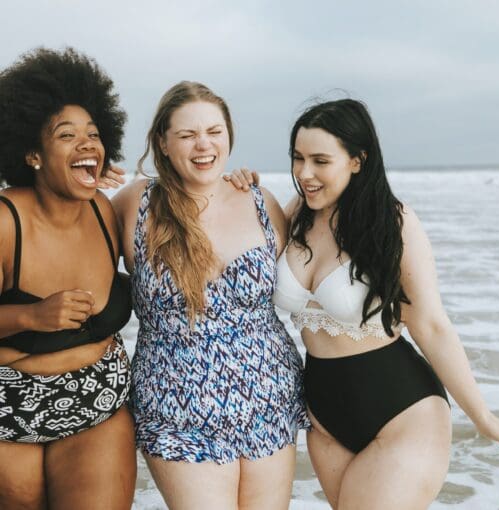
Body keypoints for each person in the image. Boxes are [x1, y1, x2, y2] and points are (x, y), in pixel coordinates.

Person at [228, 98, 499, 509]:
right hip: (324, 417)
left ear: (357, 160)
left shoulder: (393, 222)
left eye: (320, 160)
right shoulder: (296, 215)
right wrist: (236, 189)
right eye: (297, 158)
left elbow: (430, 325)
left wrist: (483, 418)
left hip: (401, 411)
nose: (304, 173)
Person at [112, 81, 308, 510]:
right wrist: (83, 180)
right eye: (187, 135)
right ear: (162, 143)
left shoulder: (259, 199)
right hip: (176, 407)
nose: (204, 145)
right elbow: (67, 245)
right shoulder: (134, 204)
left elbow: (320, 258)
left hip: (267, 398)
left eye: (214, 132)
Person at [0, 48, 135, 509]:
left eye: (93, 135)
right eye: (67, 135)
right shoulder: (5, 221)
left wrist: (239, 184)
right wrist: (31, 315)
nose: (87, 144)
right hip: (9, 410)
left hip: (98, 405)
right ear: (33, 153)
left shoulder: (105, 211)